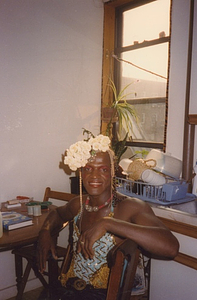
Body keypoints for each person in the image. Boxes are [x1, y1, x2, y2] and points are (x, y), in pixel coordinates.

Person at [37, 134, 179, 300]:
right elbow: (58, 213)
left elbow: (171, 248)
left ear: (113, 172)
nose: (94, 176)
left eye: (103, 169)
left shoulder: (129, 207)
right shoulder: (79, 204)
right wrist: (45, 232)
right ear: (81, 172)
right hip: (68, 288)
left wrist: (109, 223)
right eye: (88, 169)